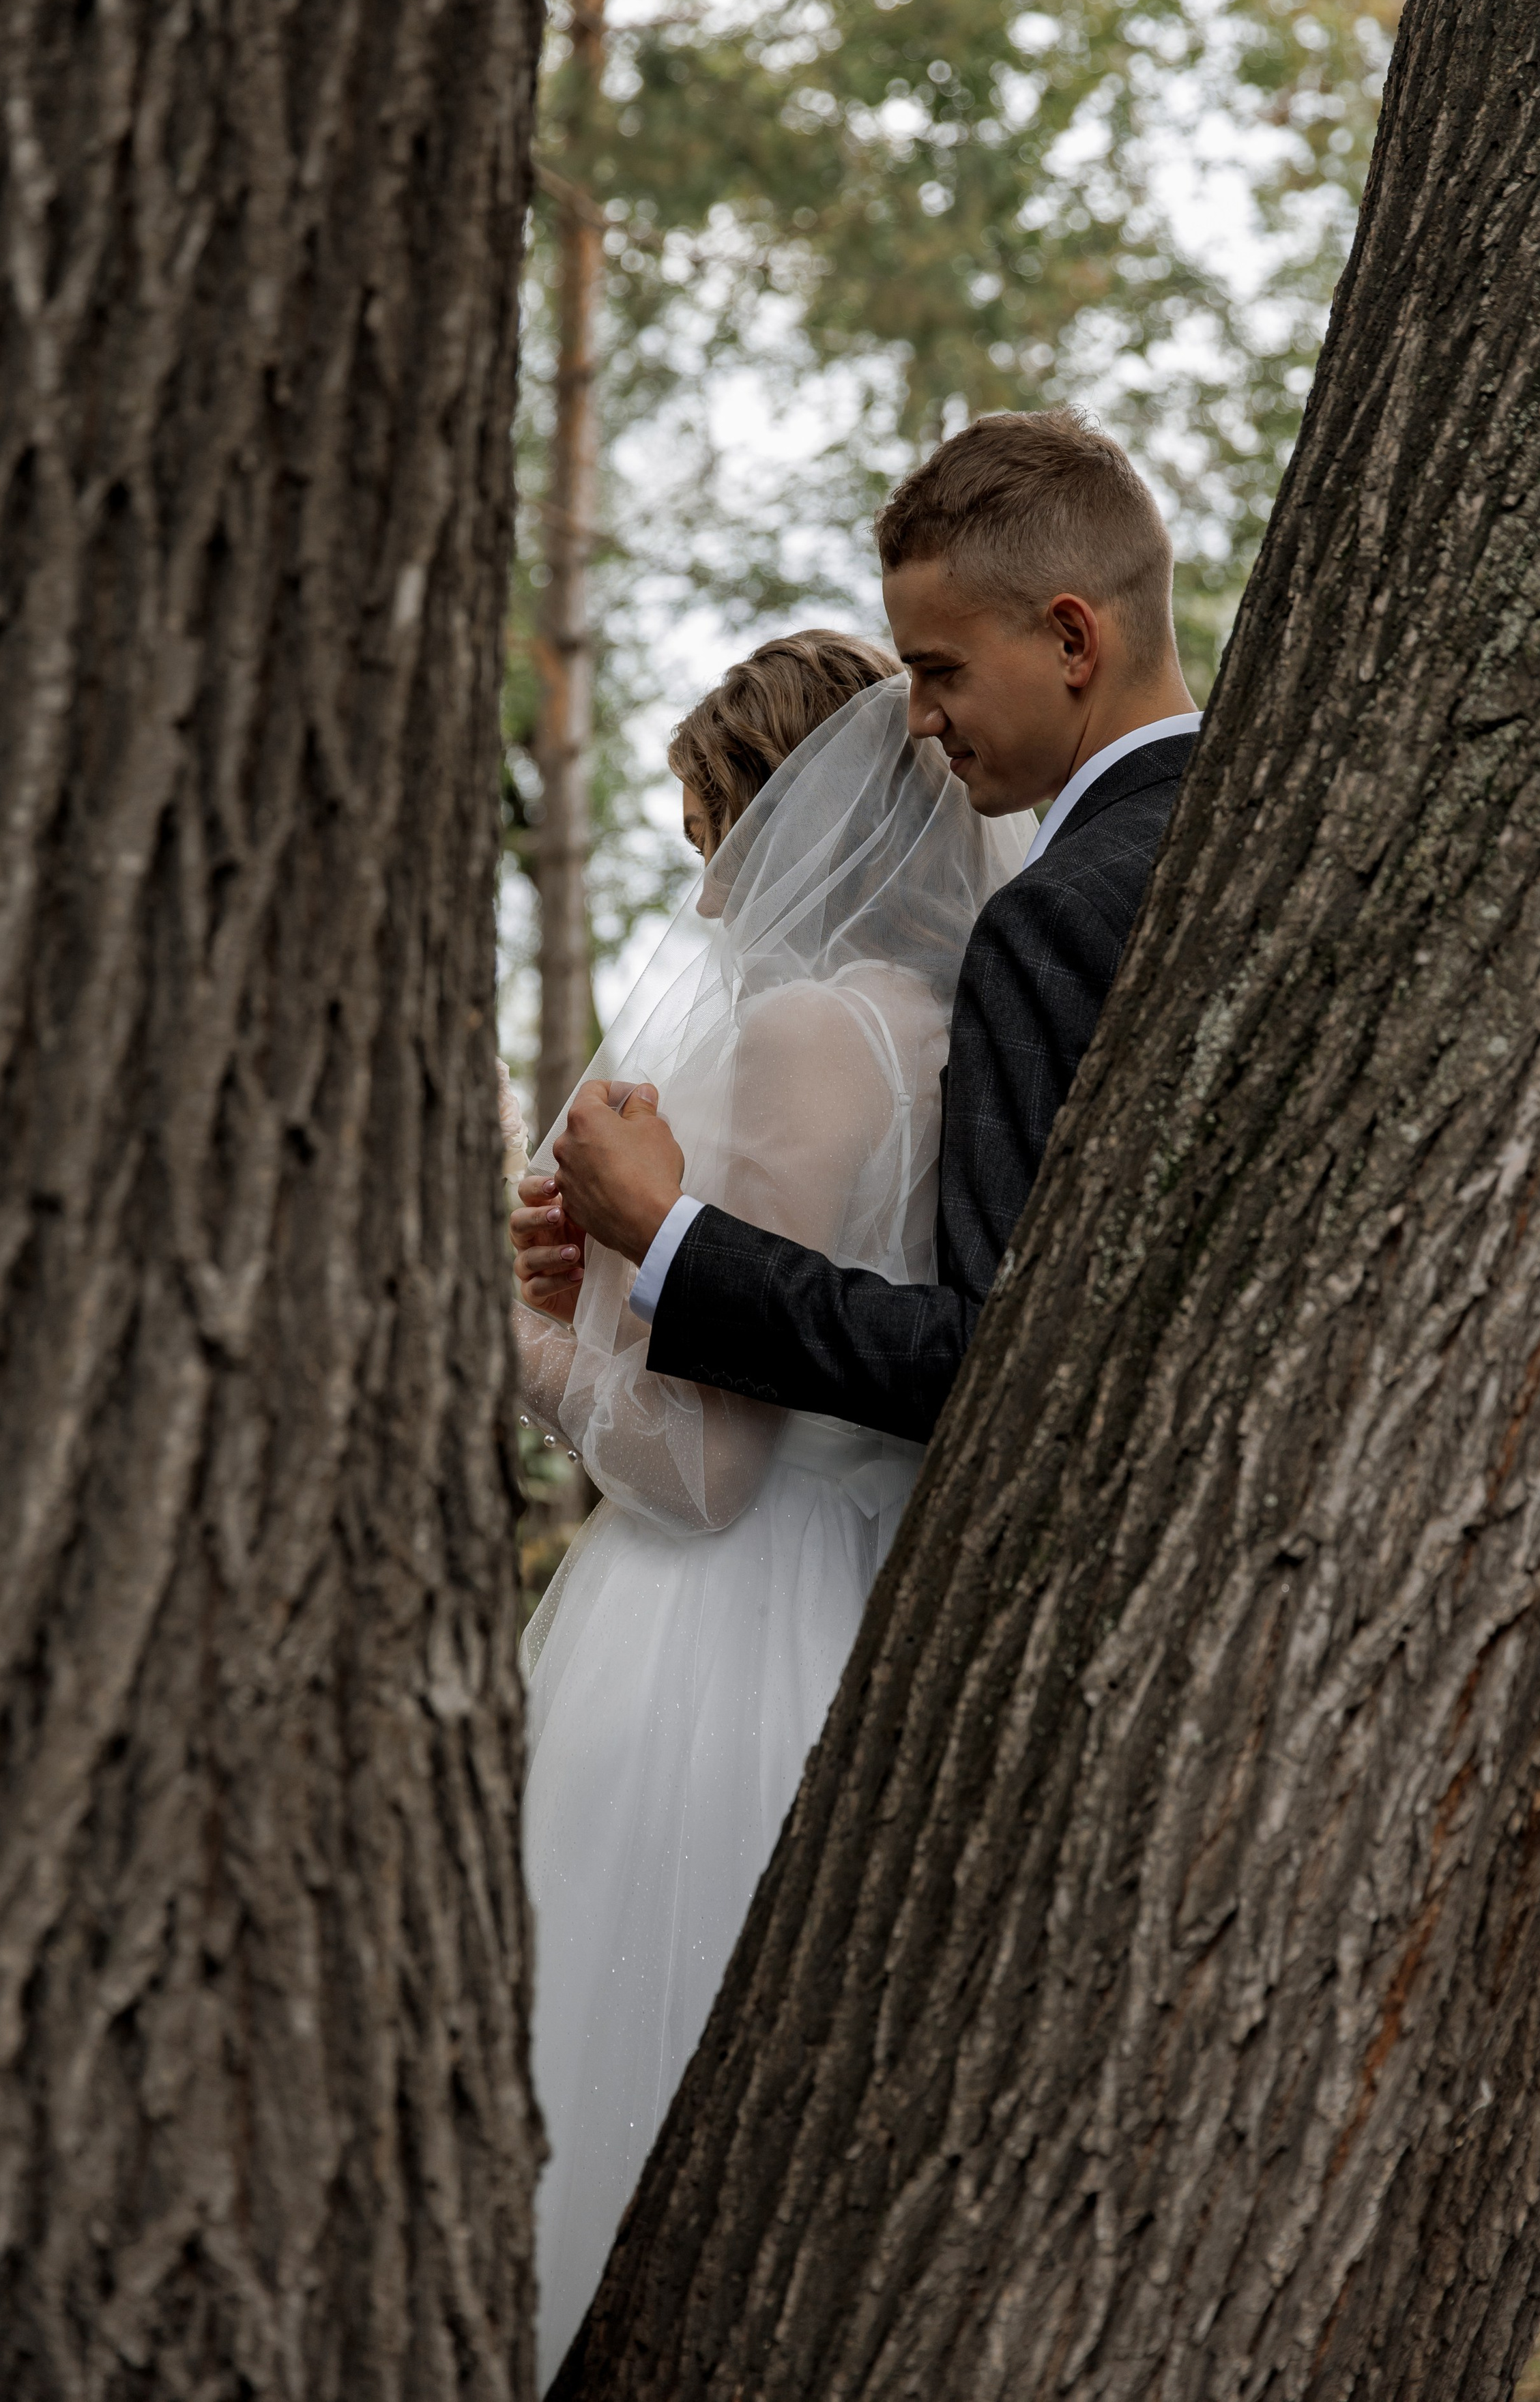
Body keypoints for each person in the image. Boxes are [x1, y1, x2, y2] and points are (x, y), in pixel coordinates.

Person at [510, 631, 1032, 2384]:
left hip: (728, 1632)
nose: (704, 881)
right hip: (871, 1591)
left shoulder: (808, 1035)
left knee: (632, 2083)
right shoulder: (963, 1024)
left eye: (710, 822)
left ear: (787, 811)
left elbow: (703, 1467)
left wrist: (523, 1339)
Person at [524, 407, 1201, 1446]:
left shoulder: (1052, 916)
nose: (919, 717)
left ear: (1073, 639)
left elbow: (992, 1354)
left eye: (941, 669)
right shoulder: (1238, 827)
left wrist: (665, 1237)